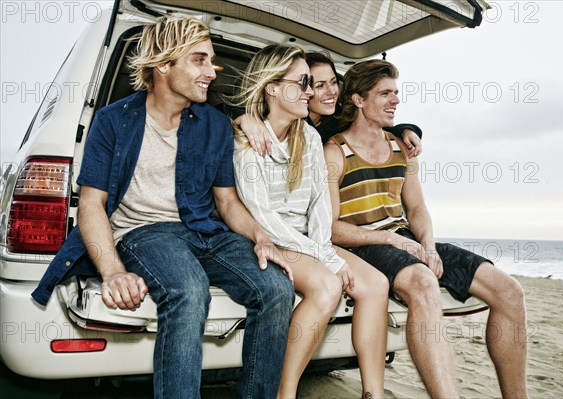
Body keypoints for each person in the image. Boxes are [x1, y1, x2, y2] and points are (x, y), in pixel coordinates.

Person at [32, 17, 295, 399]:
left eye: (211, 61)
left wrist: (260, 236)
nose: (211, 71)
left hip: (204, 231)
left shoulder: (216, 124)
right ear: (164, 64)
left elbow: (227, 201)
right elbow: (92, 204)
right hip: (143, 233)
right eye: (199, 60)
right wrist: (113, 273)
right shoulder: (112, 121)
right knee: (189, 290)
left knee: (276, 287)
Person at [323, 59, 528, 399]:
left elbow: (417, 208)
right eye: (385, 94)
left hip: (404, 240)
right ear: (358, 100)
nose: (395, 101)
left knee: (509, 291)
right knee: (423, 281)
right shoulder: (334, 152)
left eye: (396, 93)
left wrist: (428, 245)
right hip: (362, 245)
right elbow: (331, 228)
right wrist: (388, 238)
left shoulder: (400, 147)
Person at [230, 44, 389, 399]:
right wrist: (324, 258)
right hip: (271, 239)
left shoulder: (310, 137)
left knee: (376, 285)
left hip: (310, 240)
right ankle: (285, 393)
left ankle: (373, 393)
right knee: (327, 286)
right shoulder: (245, 141)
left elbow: (319, 207)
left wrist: (325, 252)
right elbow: (264, 219)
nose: (310, 91)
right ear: (272, 87)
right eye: (302, 82)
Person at [236, 51, 423, 159]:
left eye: (334, 82)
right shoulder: (280, 119)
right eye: (319, 85)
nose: (331, 92)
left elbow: (372, 128)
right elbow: (226, 110)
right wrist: (244, 118)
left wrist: (407, 130)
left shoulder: (341, 119)